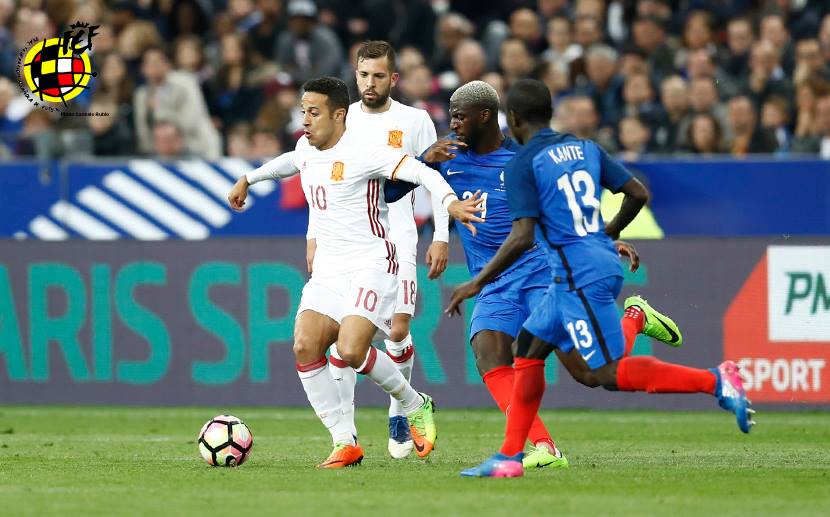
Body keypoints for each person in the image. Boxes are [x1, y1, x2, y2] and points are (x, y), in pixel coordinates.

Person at [450, 79, 756, 478]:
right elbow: (637, 194)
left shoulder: (523, 164)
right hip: (575, 269)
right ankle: (511, 455)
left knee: (602, 374)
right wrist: (605, 238)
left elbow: (524, 235)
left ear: (515, 118)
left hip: (577, 275)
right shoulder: (584, 149)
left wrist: (476, 282)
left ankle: (716, 380)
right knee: (526, 353)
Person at [417, 80, 681, 470]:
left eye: (459, 116)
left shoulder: (524, 162)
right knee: (489, 356)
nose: (452, 124)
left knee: (590, 374)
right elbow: (390, 191)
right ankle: (544, 446)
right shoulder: (447, 158)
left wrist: (600, 240)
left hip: (541, 272)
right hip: (494, 280)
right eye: (451, 115)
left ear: (486, 116)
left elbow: (558, 214)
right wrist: (423, 159)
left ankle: (635, 317)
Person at [227, 76, 484, 468]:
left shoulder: (366, 151)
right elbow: (288, 164)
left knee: (349, 349)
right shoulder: (305, 148)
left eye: (314, 113)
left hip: (372, 262)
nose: (306, 121)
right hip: (329, 269)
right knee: (304, 346)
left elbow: (423, 173)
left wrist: (448, 203)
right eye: (303, 113)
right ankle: (344, 441)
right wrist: (250, 178)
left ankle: (414, 403)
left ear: (339, 114)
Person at [316, 41, 450, 460]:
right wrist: (313, 236)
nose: (369, 83)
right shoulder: (343, 119)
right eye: (363, 75)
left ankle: (398, 409)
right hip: (349, 241)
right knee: (342, 339)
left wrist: (441, 235)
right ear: (354, 76)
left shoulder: (415, 121)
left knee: (396, 331)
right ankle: (348, 434)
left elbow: (435, 177)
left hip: (401, 235)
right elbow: (321, 180)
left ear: (393, 78)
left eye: (378, 76)